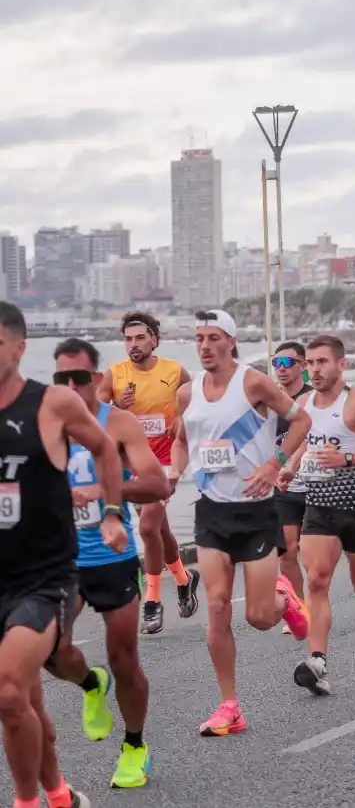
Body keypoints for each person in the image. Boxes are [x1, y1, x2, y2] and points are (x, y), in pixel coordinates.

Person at [0, 302, 126, 808]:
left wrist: (112, 511)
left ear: (18, 347)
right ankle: (58, 794)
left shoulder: (51, 403)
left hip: (43, 579)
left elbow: (105, 449)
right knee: (25, 700)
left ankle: (26, 802)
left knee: (9, 691)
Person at [169, 309, 313, 736]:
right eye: (199, 338)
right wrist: (174, 473)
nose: (206, 346)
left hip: (256, 511)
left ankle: (283, 600)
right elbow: (181, 441)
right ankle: (229, 706)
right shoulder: (187, 393)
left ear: (231, 341)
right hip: (212, 511)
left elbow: (302, 420)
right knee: (215, 607)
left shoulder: (252, 382)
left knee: (259, 618)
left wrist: (276, 463)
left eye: (214, 337)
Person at [49, 338, 169, 789]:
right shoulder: (44, 428)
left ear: (97, 379)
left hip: (113, 557)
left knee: (124, 659)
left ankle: (135, 745)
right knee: (50, 650)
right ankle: (89, 684)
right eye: (63, 378)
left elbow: (157, 484)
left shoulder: (117, 424)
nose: (72, 385)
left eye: (81, 377)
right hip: (61, 560)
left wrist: (104, 494)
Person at [281, 335, 355, 696]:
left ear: (341, 365)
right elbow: (306, 440)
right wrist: (289, 466)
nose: (315, 370)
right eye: (311, 363)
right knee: (316, 579)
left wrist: (348, 459)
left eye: (322, 362)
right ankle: (317, 661)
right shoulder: (304, 403)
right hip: (319, 505)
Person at [98, 310, 198, 635]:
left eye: (140, 337)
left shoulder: (174, 372)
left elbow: (195, 401)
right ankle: (184, 579)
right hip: (131, 464)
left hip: (165, 462)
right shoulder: (113, 376)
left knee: (147, 526)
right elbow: (94, 416)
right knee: (158, 531)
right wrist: (118, 409)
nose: (133, 344)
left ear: (154, 339)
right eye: (128, 339)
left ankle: (152, 601)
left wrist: (182, 417)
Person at [270, 341, 313, 628]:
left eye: (288, 363)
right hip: (283, 487)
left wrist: (291, 462)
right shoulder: (269, 401)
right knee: (287, 551)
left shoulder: (312, 399)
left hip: (317, 483)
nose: (281, 370)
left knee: (313, 555)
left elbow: (308, 437)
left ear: (302, 366)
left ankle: (317, 596)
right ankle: (301, 608)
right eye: (276, 364)